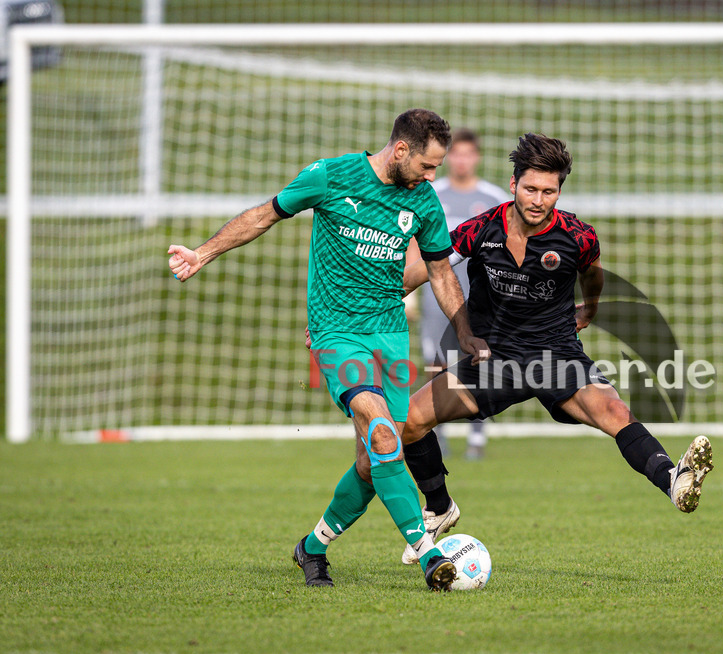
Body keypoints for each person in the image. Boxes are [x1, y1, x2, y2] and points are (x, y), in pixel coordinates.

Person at [168, 108, 488, 589]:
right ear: (401, 150)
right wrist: (202, 253)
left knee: (375, 456)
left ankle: (312, 547)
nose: (432, 175)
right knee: (382, 432)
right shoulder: (331, 175)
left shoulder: (422, 201)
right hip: (336, 333)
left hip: (389, 335)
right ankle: (429, 556)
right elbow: (264, 216)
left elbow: (441, 273)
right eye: (427, 165)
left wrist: (464, 331)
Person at [396, 133, 714, 565]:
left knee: (615, 412)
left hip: (554, 356)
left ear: (560, 191)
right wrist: (369, 305)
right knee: (408, 422)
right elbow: (427, 268)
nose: (539, 200)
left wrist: (591, 309)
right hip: (492, 359)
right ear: (513, 185)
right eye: (530, 189)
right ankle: (439, 507)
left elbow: (594, 276)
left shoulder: (578, 237)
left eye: (549, 191)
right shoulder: (481, 229)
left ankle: (674, 479)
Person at [417, 128, 508, 461]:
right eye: (456, 154)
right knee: (436, 362)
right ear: (447, 157)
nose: (462, 160)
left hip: (479, 297)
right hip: (435, 293)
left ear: (477, 158)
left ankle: (477, 435)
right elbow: (414, 243)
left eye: (468, 154)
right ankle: (438, 433)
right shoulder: (431, 193)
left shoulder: (494, 198)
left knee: (478, 360)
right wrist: (408, 293)